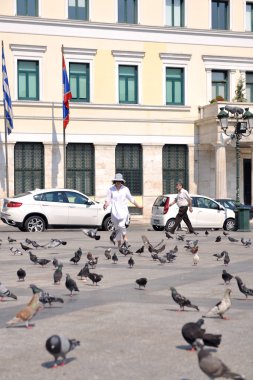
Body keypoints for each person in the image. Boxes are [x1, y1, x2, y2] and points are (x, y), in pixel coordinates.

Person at [103, 173, 142, 248]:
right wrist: (106, 204)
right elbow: (108, 199)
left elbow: (131, 198)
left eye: (119, 181)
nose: (118, 182)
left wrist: (138, 205)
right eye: (117, 181)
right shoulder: (110, 189)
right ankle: (119, 243)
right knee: (117, 228)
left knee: (121, 225)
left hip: (123, 210)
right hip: (114, 211)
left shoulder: (125, 189)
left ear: (122, 181)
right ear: (114, 181)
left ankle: (125, 237)